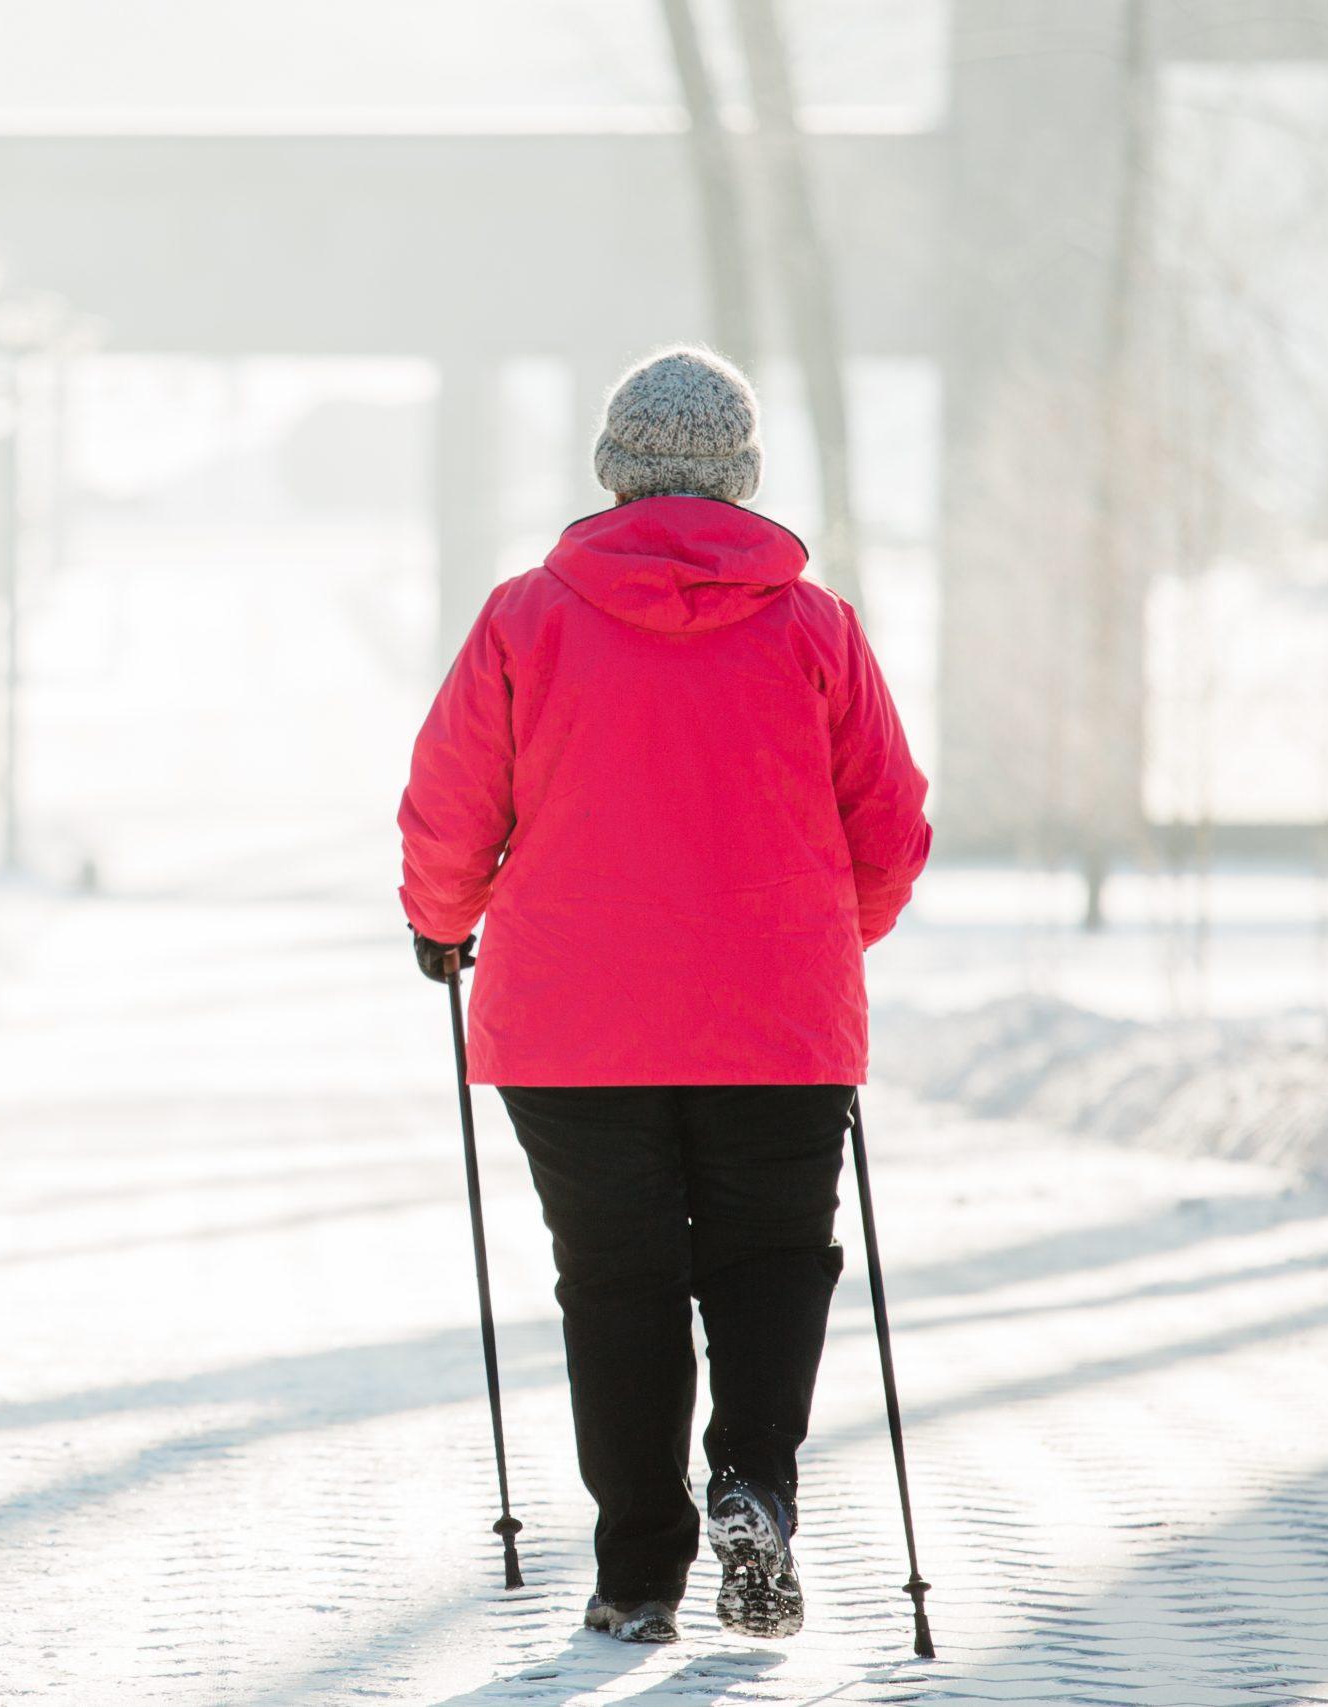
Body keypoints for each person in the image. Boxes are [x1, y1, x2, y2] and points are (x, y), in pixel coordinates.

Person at [397, 347, 931, 1645]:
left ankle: (638, 1572)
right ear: (743, 475)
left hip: (576, 1021)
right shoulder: (814, 627)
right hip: (778, 1017)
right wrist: (818, 942)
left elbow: (452, 797)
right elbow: (890, 823)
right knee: (769, 1261)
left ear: (612, 469)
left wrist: (441, 924)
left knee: (618, 1278)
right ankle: (755, 1479)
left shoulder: (527, 615)